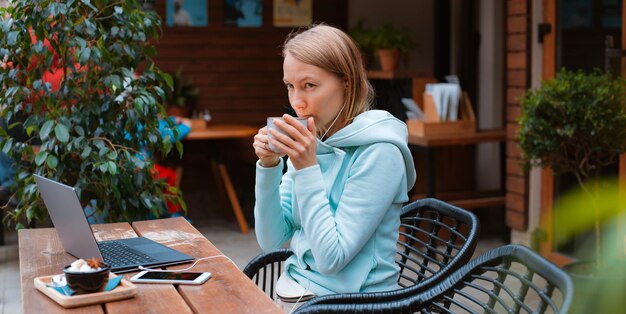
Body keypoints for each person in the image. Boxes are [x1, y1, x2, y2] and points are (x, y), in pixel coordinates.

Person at [252, 24, 416, 311]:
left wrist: (306, 168)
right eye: (290, 86)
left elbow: (331, 259)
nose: (296, 102)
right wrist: (268, 167)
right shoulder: (315, 140)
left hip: (355, 303)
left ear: (346, 83)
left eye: (309, 85)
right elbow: (272, 239)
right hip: (298, 295)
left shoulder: (381, 152)